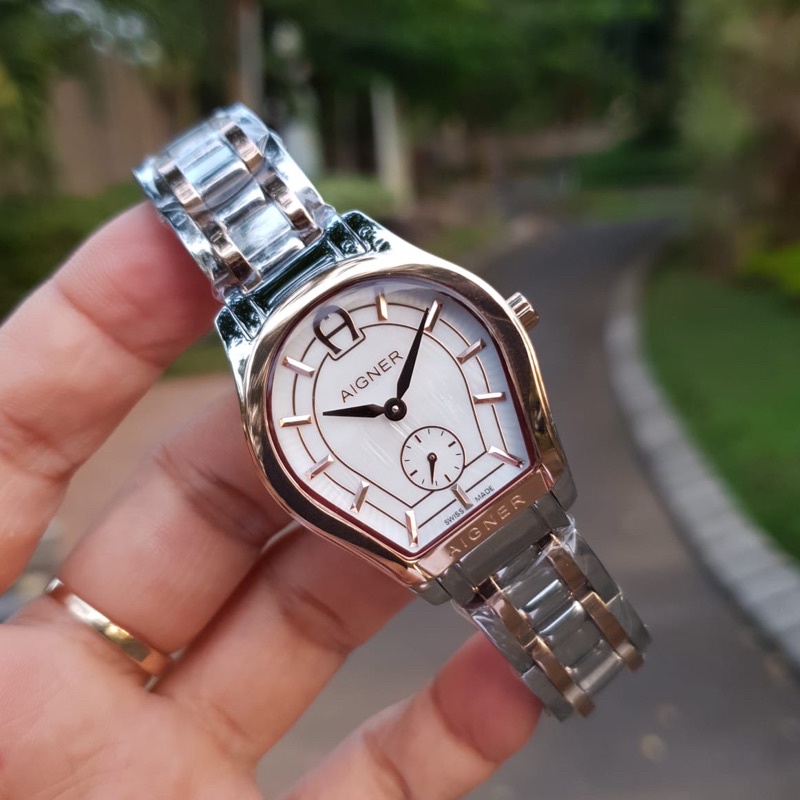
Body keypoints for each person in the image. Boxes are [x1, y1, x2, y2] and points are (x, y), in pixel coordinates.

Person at [0, 204, 541, 798]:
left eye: (395, 402)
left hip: (510, 483)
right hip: (443, 525)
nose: (394, 408)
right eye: (386, 408)